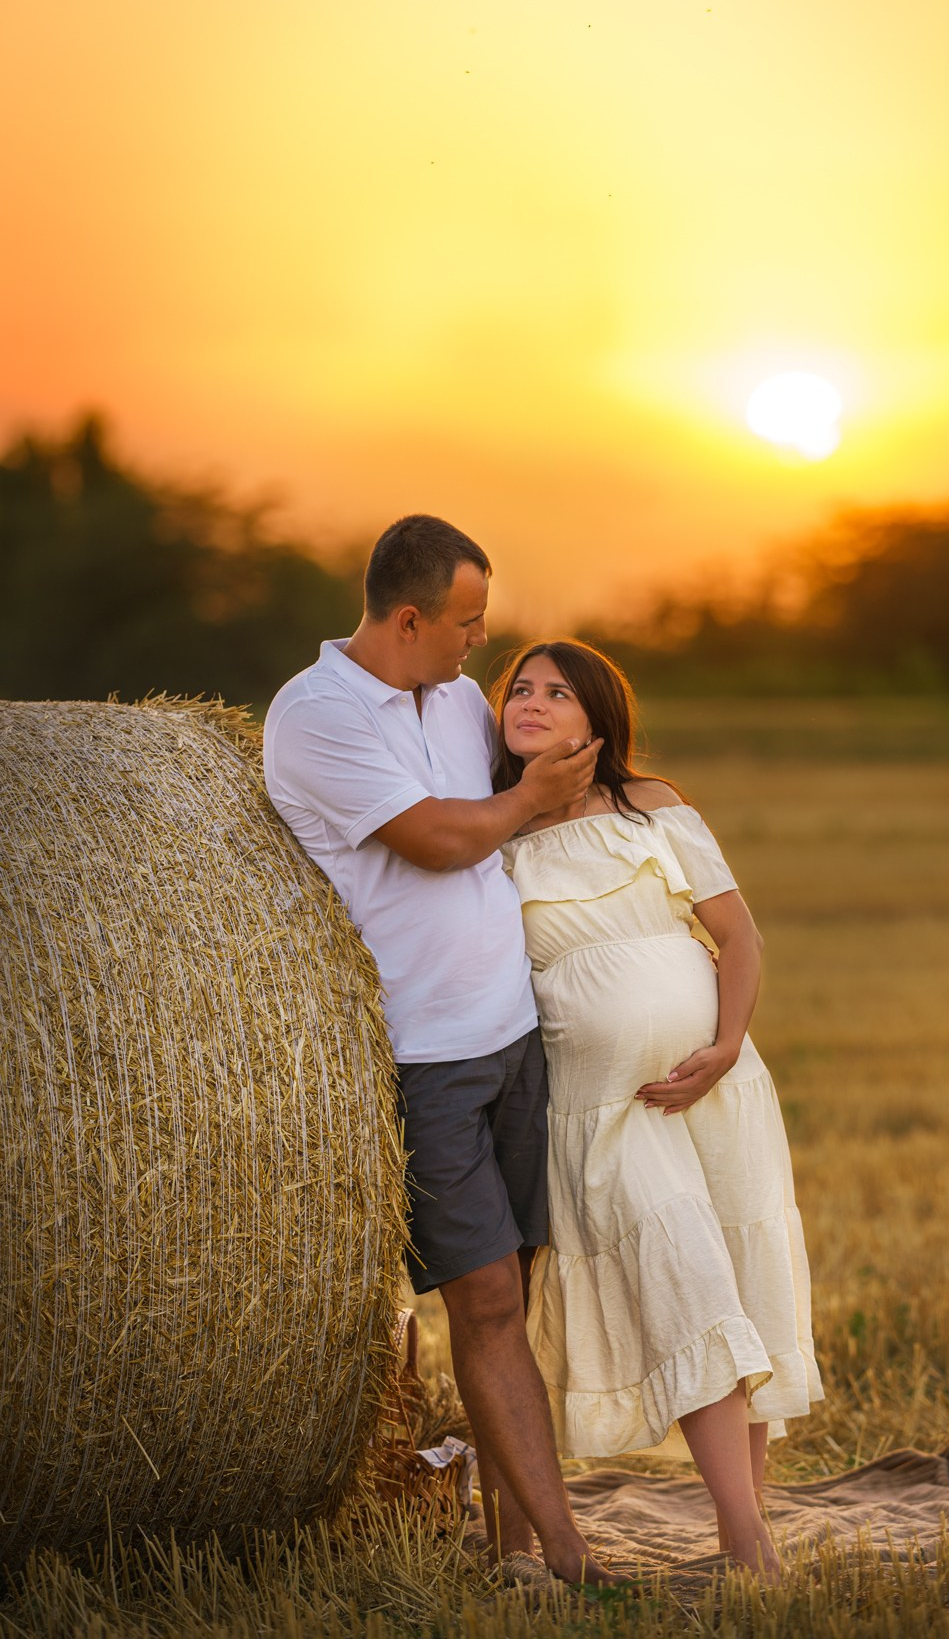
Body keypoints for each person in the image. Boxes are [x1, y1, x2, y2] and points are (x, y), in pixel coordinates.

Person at [262, 515, 626, 1588]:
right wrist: (528, 798)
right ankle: (567, 1552)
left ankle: (518, 1547)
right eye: (467, 621)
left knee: (516, 1286)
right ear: (410, 615)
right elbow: (433, 839)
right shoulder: (316, 712)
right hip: (426, 1056)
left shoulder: (454, 697)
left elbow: (513, 797)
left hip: (513, 1031)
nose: (481, 641)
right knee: (485, 1301)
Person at [492, 637, 824, 1578]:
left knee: (740, 1279)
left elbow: (739, 936)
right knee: (688, 1288)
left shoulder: (655, 807)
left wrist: (722, 1048)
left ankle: (739, 1530)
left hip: (719, 1089)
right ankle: (750, 1540)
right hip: (604, 1110)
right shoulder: (496, 832)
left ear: (600, 723)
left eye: (559, 693)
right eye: (520, 688)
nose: (533, 703)